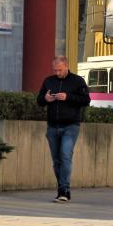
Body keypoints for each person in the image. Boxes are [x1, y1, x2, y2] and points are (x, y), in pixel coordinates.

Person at [36, 55, 91, 203]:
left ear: (66, 66)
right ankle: (62, 188)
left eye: (60, 70)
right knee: (56, 161)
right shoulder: (49, 81)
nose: (57, 73)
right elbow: (39, 100)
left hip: (70, 125)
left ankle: (64, 190)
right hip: (52, 126)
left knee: (66, 156)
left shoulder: (77, 81)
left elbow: (86, 100)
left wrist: (67, 97)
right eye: (55, 70)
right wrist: (45, 99)